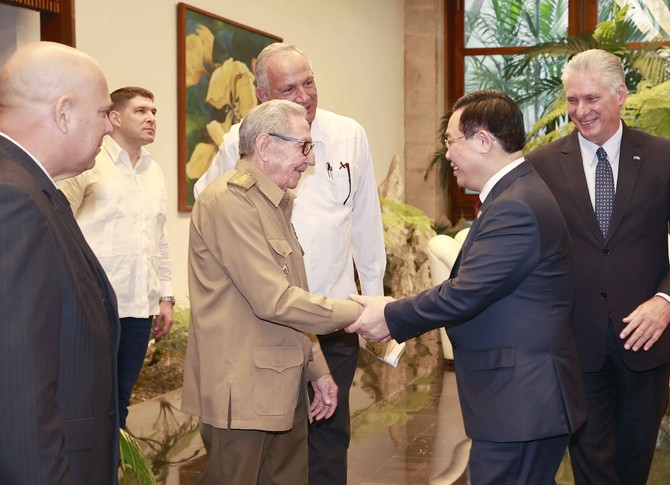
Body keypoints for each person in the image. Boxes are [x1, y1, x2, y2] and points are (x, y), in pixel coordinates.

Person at [347, 90, 586, 485]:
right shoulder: (516, 194)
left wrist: (389, 316)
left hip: (520, 401)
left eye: (450, 142)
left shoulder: (516, 205)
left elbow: (464, 293)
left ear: (484, 141)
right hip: (520, 400)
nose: (446, 155)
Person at [194, 42, 386, 484]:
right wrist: (367, 313)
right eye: (289, 88)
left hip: (325, 327)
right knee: (254, 454)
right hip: (260, 334)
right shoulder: (234, 178)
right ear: (262, 98)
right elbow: (266, 290)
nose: (304, 96)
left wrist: (372, 306)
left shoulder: (348, 135)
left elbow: (366, 227)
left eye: (309, 82)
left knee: (320, 440)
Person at [528, 49, 670, 484]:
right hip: (575, 343)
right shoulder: (542, 164)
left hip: (646, 342)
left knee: (634, 464)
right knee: (591, 465)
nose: (580, 111)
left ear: (621, 94)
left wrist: (666, 303)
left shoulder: (663, 156)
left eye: (591, 98)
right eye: (572, 100)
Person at [0, 41, 120, 484]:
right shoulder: (14, 198)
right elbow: (16, 392)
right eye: (104, 112)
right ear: (64, 112)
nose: (110, 127)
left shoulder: (32, 187)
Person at [60, 86, 174, 429]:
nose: (151, 118)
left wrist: (165, 296)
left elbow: (160, 237)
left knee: (120, 404)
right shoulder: (87, 163)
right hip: (94, 307)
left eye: (153, 112)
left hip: (139, 309)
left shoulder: (154, 172)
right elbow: (58, 224)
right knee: (87, 402)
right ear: (114, 117)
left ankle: (114, 473)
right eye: (140, 111)